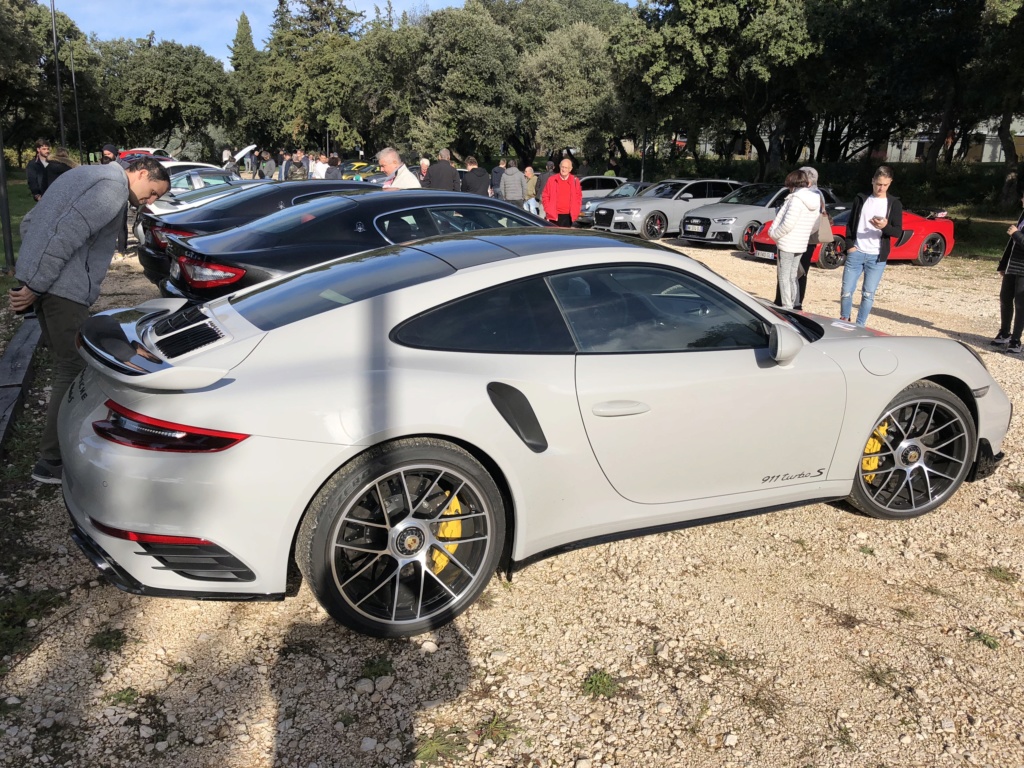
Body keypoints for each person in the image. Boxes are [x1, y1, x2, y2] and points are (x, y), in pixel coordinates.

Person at [9, 157, 171, 484]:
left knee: (67, 365)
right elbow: (64, 235)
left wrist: (31, 276)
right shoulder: (111, 187)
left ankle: (55, 455)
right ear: (141, 174)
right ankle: (51, 461)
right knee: (74, 367)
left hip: (52, 286)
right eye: (153, 192)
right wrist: (36, 285)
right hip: (62, 291)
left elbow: (31, 222)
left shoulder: (86, 175)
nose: (151, 201)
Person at [839, 166, 903, 327]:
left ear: (890, 183)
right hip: (856, 251)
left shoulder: (894, 203)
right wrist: (849, 246)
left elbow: (897, 231)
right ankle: (844, 320)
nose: (881, 188)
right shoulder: (861, 199)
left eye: (885, 185)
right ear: (873, 181)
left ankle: (860, 326)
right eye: (878, 184)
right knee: (846, 291)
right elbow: (850, 224)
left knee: (868, 294)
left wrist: (884, 227)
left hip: (877, 256)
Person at [774, 165, 825, 309]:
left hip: (793, 240)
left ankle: (786, 305)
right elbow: (815, 222)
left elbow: (787, 222)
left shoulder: (796, 198)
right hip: (805, 240)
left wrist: (775, 235)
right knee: (797, 274)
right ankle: (796, 303)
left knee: (787, 275)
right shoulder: (816, 196)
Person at [991, 190, 1024, 354]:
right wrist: (1003, 264)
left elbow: (1018, 239)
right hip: (1012, 266)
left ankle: (1016, 340)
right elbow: (1011, 245)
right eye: (1023, 196)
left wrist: (1016, 234)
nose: (1022, 199)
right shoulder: (1023, 216)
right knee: (1005, 299)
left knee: (1020, 304)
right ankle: (1004, 332)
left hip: (1023, 270)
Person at [541, 158, 583, 227]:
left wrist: (576, 210)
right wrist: (548, 209)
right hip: (554, 215)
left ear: (570, 169)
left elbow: (578, 197)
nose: (564, 169)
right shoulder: (552, 180)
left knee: (566, 237)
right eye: (562, 167)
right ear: (559, 167)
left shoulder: (575, 181)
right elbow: (545, 195)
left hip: (568, 216)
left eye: (566, 168)